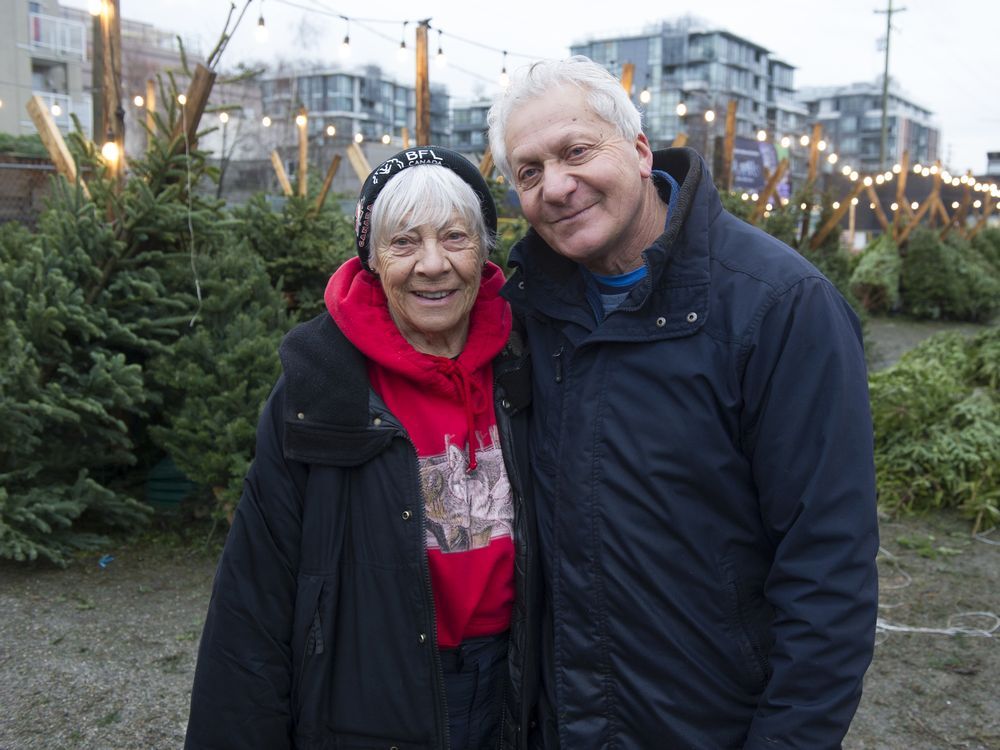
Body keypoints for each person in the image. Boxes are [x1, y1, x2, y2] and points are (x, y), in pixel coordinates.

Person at [487, 56, 879, 749]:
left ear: (639, 151)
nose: (557, 185)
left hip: (711, 726)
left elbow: (828, 573)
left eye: (576, 151)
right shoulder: (523, 314)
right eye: (528, 171)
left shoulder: (777, 308)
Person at [184, 146, 539, 750]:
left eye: (455, 237)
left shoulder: (526, 360)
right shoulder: (320, 383)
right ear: (372, 258)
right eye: (404, 242)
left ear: (483, 252)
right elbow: (256, 592)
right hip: (374, 692)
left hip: (520, 682)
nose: (433, 264)